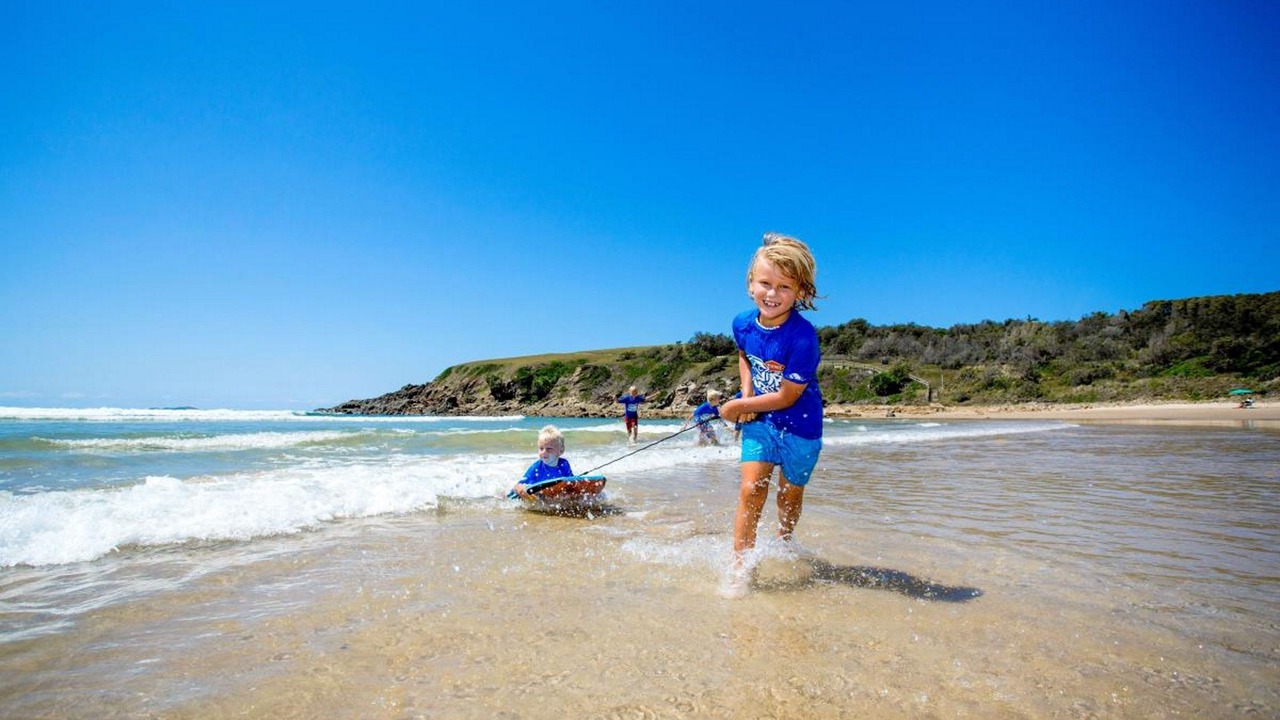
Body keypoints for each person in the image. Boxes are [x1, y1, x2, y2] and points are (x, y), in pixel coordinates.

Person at [717, 232, 823, 598]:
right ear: (750, 285)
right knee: (751, 490)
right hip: (763, 423)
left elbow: (787, 396)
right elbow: (744, 355)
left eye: (784, 287)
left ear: (800, 292)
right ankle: (740, 567)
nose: (772, 294)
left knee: (788, 495)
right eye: (765, 283)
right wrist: (746, 392)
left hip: (801, 427)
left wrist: (737, 407)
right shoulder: (742, 324)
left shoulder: (803, 338)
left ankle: (785, 538)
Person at [510, 425, 574, 499]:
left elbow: (572, 482)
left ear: (561, 450)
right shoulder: (536, 468)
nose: (544, 452)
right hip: (535, 495)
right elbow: (518, 486)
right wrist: (521, 490)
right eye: (541, 448)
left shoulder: (564, 464)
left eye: (549, 449)